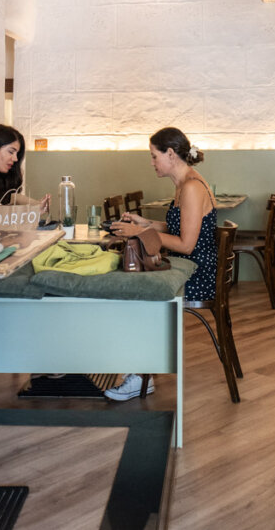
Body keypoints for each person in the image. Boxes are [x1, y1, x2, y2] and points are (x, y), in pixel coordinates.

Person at [105, 127, 217, 401]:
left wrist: (140, 234)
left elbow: (186, 244)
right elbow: (179, 227)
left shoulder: (190, 187)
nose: (152, 162)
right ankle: (142, 370)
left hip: (196, 274)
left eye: (154, 156)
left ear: (170, 153)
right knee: (132, 285)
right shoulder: (184, 184)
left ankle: (142, 376)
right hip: (188, 267)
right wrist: (146, 224)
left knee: (138, 292)